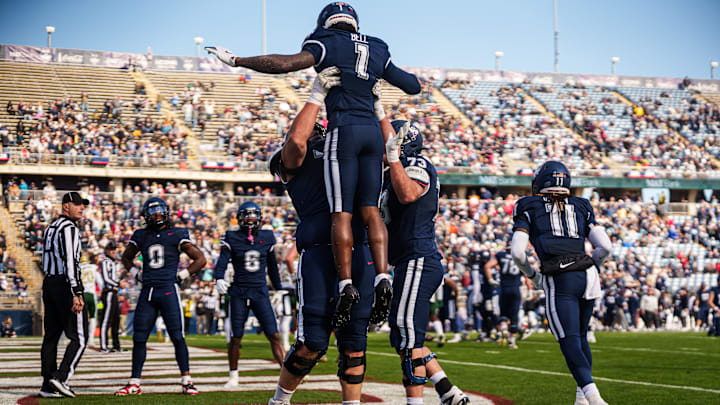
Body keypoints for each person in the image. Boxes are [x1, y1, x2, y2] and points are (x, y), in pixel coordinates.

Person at [206, 2, 420, 329]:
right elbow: (413, 85)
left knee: (341, 212)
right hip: (372, 134)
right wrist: (377, 102)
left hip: (346, 132)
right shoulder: (377, 46)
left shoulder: (326, 42)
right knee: (371, 211)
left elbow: (285, 63)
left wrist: (237, 61)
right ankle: (382, 276)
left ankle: (346, 282)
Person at [266, 86, 375, 405]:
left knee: (355, 343)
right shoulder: (292, 155)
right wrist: (317, 96)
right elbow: (297, 142)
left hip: (358, 250)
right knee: (312, 342)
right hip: (319, 251)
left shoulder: (344, 153)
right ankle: (280, 400)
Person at [510, 161, 612, 405]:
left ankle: (594, 398)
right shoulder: (581, 204)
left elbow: (517, 253)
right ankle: (582, 398)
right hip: (587, 274)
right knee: (581, 336)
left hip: (560, 275)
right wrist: (593, 265)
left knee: (569, 339)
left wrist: (533, 276)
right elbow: (605, 246)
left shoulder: (527, 205)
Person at [382, 120, 469, 405]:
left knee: (408, 341)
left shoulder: (416, 163)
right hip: (409, 262)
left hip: (418, 258)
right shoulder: (390, 173)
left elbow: (408, 194)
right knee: (403, 336)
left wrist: (393, 157)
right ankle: (447, 391)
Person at [114, 197, 206, 396]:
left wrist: (182, 275)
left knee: (177, 337)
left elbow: (200, 259)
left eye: (159, 210)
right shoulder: (141, 235)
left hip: (168, 290)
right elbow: (126, 257)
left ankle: (187, 380)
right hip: (147, 291)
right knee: (139, 337)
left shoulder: (177, 233)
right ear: (146, 215)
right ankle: (134, 382)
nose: (156, 214)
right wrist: (135, 274)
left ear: (166, 212)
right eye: (152, 211)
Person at [213, 200, 286, 388]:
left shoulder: (267, 236)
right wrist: (219, 277)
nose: (250, 219)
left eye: (253, 216)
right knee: (235, 336)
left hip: (260, 291)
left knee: (274, 335)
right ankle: (233, 375)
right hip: (239, 291)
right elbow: (222, 261)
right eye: (247, 216)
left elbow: (272, 266)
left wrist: (278, 288)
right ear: (239, 218)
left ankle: (287, 373)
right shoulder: (231, 236)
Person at [39, 191, 90, 398]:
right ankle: (60, 378)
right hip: (64, 284)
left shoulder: (51, 227)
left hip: (49, 282)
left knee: (51, 337)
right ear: (66, 206)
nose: (81, 208)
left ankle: (46, 385)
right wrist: (77, 291)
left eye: (82, 205)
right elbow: (71, 262)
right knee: (80, 337)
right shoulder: (69, 228)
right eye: (77, 204)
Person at [490, 244, 525, 349]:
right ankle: (512, 342)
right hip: (516, 288)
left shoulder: (501, 255)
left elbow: (487, 266)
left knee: (503, 314)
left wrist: (490, 279)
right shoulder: (520, 256)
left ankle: (504, 330)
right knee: (514, 315)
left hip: (504, 287)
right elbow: (527, 273)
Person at [99, 241, 122, 352]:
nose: (114, 252)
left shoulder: (113, 262)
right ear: (107, 251)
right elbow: (106, 278)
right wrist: (118, 283)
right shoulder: (105, 262)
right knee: (106, 320)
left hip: (114, 292)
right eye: (112, 250)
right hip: (108, 292)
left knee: (116, 319)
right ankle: (104, 346)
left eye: (115, 250)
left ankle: (116, 345)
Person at [79, 254, 100, 348]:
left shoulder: (77, 268)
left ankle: (79, 338)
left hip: (81, 294)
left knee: (77, 318)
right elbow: (100, 282)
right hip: (91, 294)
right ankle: (91, 338)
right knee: (92, 317)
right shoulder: (93, 267)